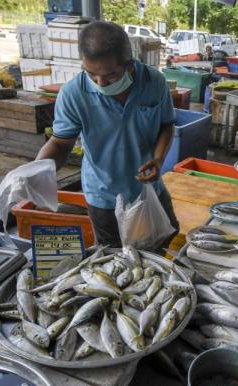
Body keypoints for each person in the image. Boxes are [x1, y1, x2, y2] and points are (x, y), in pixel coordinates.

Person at [36, 21, 180, 249]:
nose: (100, 82)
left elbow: (166, 125)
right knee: (112, 254)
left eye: (111, 75)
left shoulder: (154, 82)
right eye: (91, 74)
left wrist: (159, 160)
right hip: (103, 196)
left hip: (150, 188)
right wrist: (35, 172)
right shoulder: (73, 94)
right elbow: (60, 143)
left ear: (130, 65)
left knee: (165, 238)